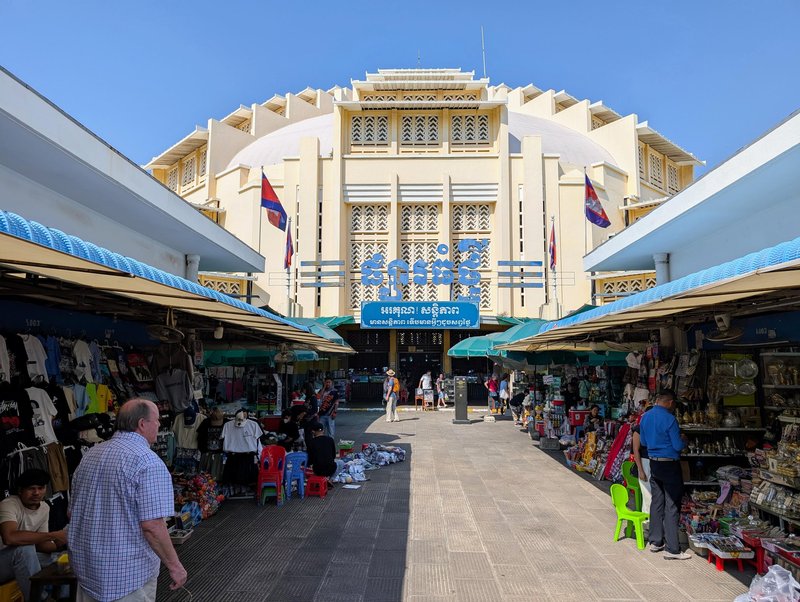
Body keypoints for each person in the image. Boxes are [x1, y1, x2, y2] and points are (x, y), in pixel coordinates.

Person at [69, 398, 187, 601]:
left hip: (87, 571)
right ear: (142, 424)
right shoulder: (148, 462)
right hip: (126, 576)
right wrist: (175, 566)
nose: (159, 425)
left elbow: (72, 512)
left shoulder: (91, 454)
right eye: (157, 420)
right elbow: (152, 525)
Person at [0, 469, 67, 602]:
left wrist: (60, 541)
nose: (36, 493)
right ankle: (41, 599)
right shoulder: (9, 504)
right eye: (31, 489)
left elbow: (42, 545)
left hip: (21, 559)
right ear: (20, 491)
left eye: (40, 488)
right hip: (3, 560)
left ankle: (63, 598)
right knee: (24, 549)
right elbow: (9, 537)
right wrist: (52, 535)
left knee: (61, 559)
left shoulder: (44, 508)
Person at [638, 389, 690, 560]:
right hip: (669, 464)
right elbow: (676, 446)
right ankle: (673, 548)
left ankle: (655, 541)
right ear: (669, 402)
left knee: (657, 501)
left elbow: (644, 442)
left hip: (654, 463)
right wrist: (684, 440)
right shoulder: (670, 419)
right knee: (672, 504)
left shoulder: (645, 417)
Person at [632, 405, 653, 515]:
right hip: (645, 462)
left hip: (655, 462)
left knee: (654, 494)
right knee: (647, 494)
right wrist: (640, 470)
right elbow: (636, 450)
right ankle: (647, 522)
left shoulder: (656, 428)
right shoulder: (639, 428)